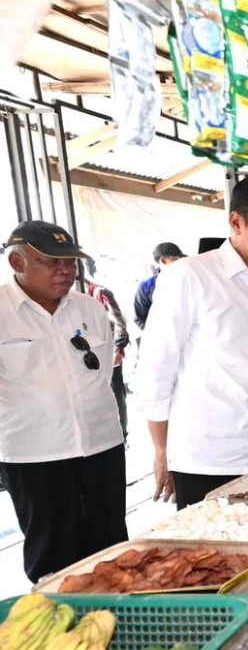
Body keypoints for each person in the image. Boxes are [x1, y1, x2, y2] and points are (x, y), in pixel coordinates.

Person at [137, 175, 248, 509]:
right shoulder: (189, 277)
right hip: (209, 461)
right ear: (237, 221)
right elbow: (156, 371)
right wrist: (162, 452)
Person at [0, 221, 128, 581]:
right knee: (52, 554)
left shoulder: (88, 308)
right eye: (51, 262)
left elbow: (100, 375)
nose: (66, 270)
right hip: (36, 457)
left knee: (111, 549)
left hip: (101, 448)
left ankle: (120, 621)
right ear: (17, 262)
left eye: (70, 262)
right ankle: (61, 626)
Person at [85, 260, 130, 443]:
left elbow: (119, 322)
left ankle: (122, 435)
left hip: (109, 354)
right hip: (87, 359)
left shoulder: (100, 293)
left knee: (115, 395)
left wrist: (118, 350)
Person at [134, 242, 185, 330]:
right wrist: (159, 335)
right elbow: (140, 319)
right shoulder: (146, 286)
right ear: (163, 261)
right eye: (176, 259)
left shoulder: (187, 280)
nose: (181, 262)